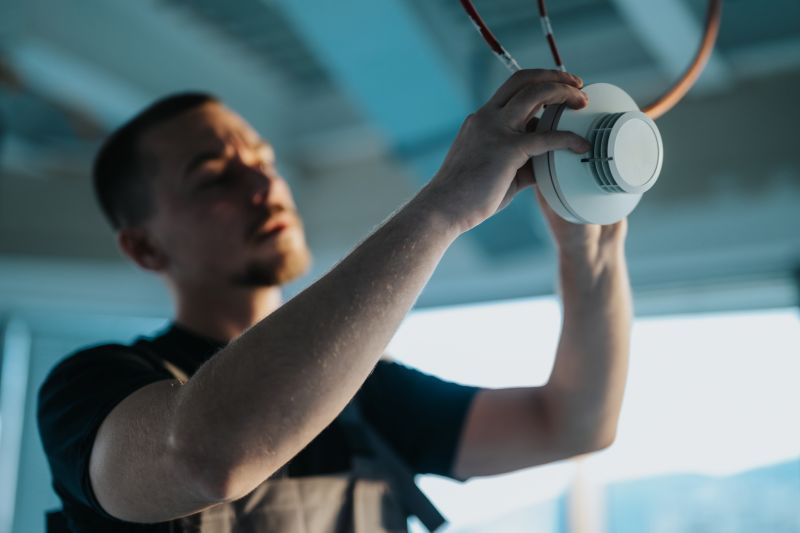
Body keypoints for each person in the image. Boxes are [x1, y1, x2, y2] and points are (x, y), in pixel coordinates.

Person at [37, 69, 632, 532]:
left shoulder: (362, 394)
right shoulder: (91, 388)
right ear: (143, 248)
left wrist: (587, 249)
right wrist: (443, 207)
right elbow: (206, 456)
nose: (263, 183)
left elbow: (572, 423)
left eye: (264, 161)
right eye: (217, 175)